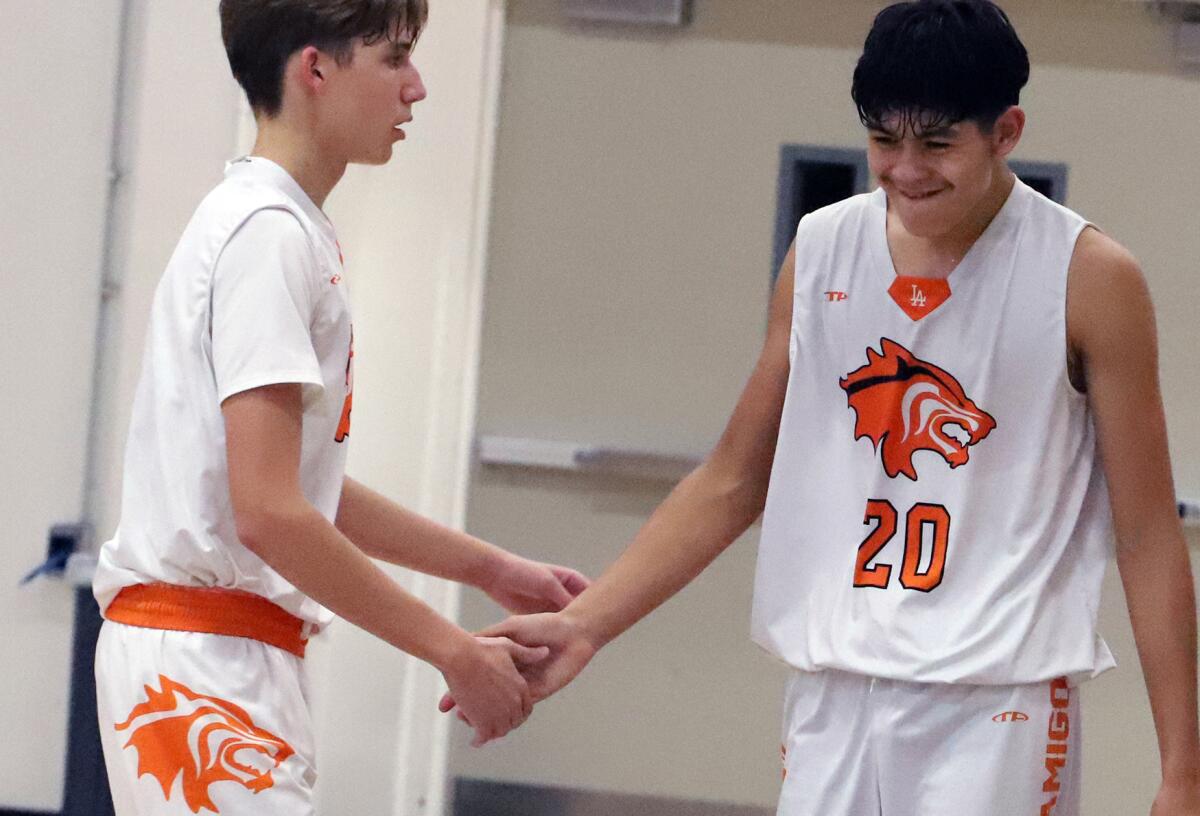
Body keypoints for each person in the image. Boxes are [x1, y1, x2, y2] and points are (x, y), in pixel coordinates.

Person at [443, 2, 1200, 814]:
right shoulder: (823, 248)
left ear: (1005, 131)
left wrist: (1183, 771)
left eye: (937, 143)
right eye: (884, 140)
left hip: (997, 702)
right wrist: (587, 624)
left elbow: (1147, 532)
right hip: (833, 696)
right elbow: (733, 479)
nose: (905, 168)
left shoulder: (1089, 276)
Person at [91, 2, 588, 813]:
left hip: (221, 651)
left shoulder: (281, 226)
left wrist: (488, 568)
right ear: (315, 71)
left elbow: (299, 489)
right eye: (395, 59)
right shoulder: (267, 237)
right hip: (200, 658)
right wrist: (453, 652)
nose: (417, 88)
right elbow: (272, 514)